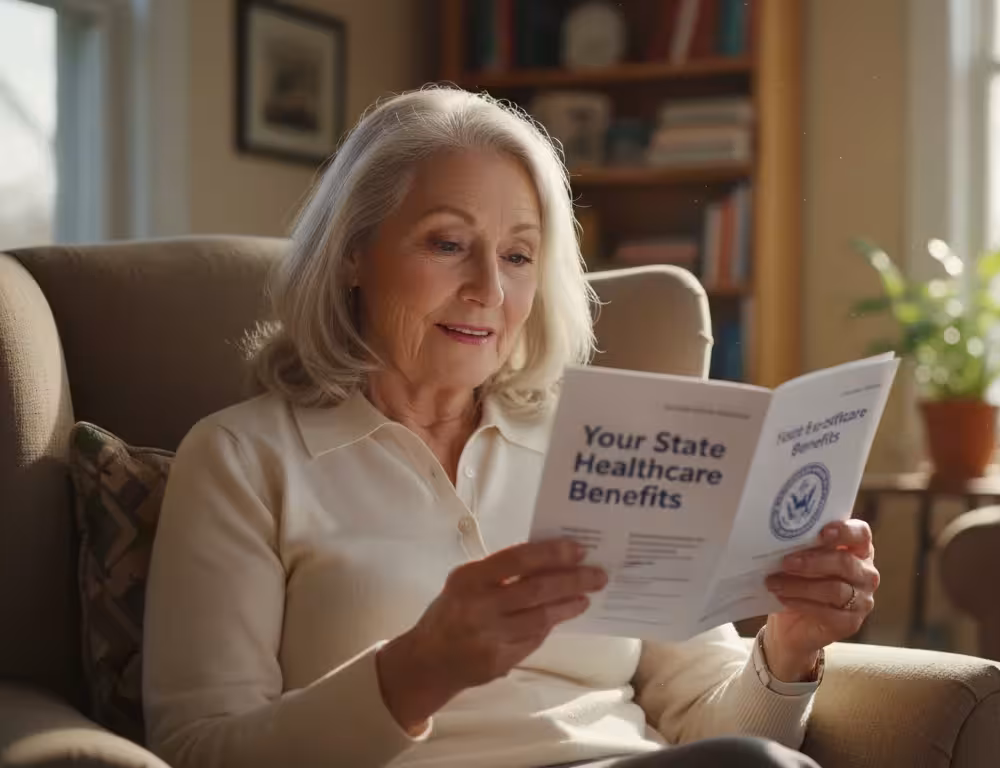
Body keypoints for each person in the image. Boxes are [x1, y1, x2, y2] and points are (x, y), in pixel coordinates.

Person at [141, 86, 881, 768]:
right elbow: (196, 749)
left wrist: (789, 648)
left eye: (518, 255)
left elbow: (711, 728)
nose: (489, 290)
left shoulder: (603, 445)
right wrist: (416, 671)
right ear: (351, 256)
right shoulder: (244, 456)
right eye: (447, 243)